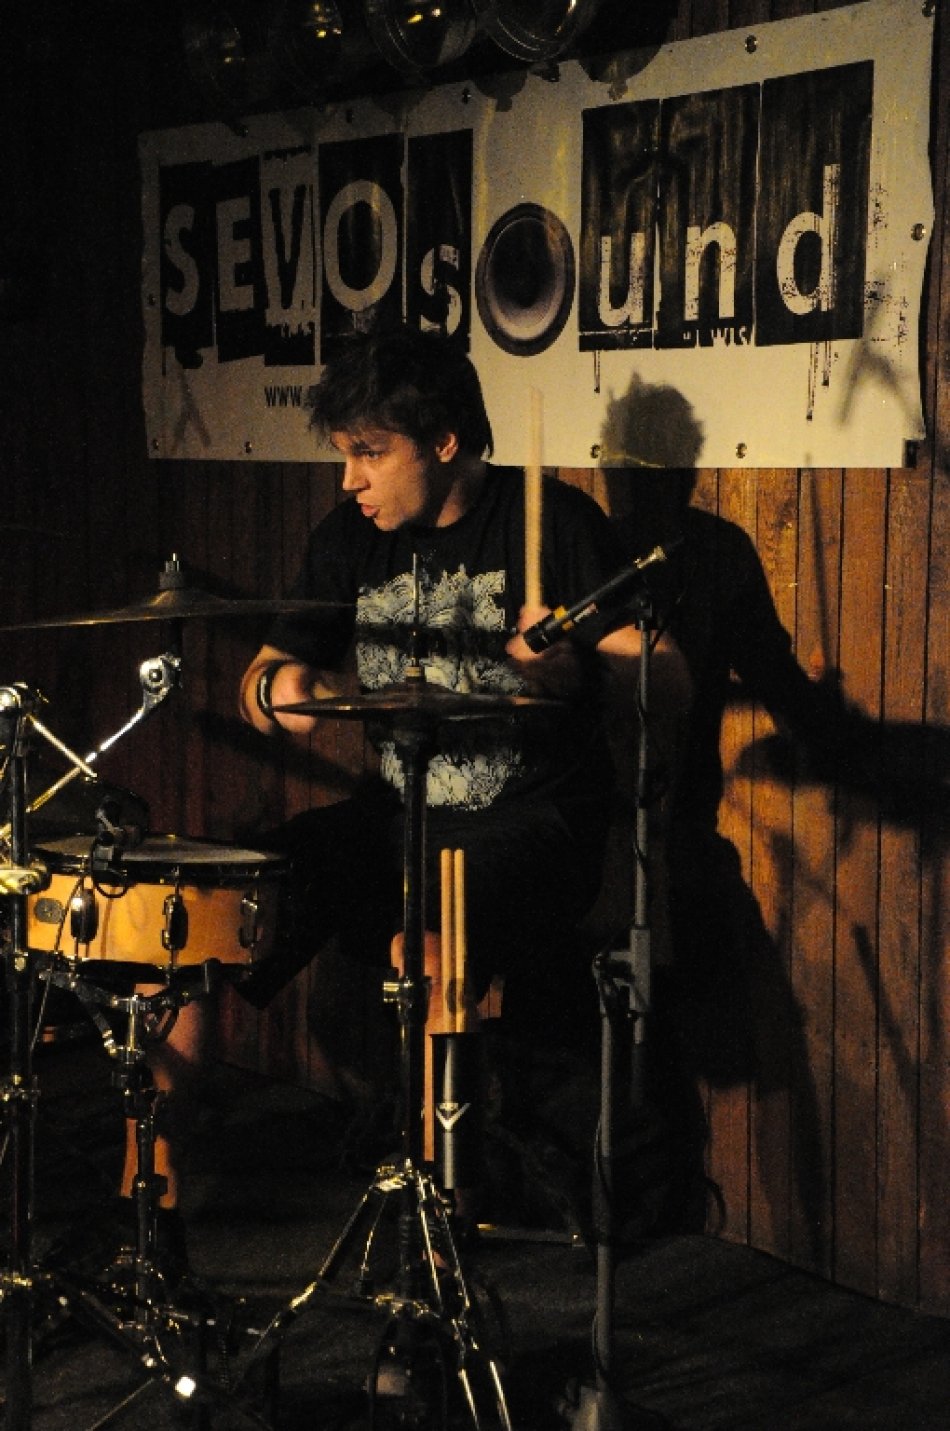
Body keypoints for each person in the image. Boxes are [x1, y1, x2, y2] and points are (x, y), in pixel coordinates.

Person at [235, 326, 691, 1071]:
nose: (349, 480)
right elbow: (260, 679)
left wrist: (574, 669)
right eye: (346, 454)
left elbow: (670, 681)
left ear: (444, 441)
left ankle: (435, 1148)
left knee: (431, 927)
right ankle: (158, 1143)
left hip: (534, 824)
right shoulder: (349, 537)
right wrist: (273, 690)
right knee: (221, 899)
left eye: (370, 454)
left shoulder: (552, 520)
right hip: (397, 817)